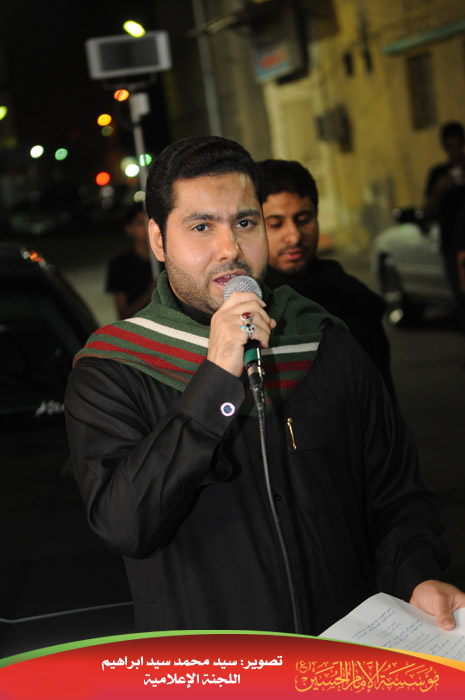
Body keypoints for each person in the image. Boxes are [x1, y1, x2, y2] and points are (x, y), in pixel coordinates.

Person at [65, 135, 465, 637]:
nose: (230, 249)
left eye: (245, 223)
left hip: (344, 653)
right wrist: (214, 380)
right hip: (218, 664)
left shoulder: (325, 342)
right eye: (201, 226)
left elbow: (395, 493)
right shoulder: (113, 369)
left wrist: (416, 574)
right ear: (159, 240)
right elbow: (125, 524)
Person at [258, 158, 395, 397]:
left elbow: (380, 390)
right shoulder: (250, 306)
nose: (294, 236)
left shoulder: (352, 296)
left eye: (303, 219)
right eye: (276, 224)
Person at [424, 121, 465, 326]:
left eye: (457, 145)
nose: (454, 151)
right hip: (453, 247)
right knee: (462, 298)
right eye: (450, 146)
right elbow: (428, 210)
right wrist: (440, 189)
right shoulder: (438, 173)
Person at [105, 203, 156, 319]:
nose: (147, 228)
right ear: (129, 229)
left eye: (150, 222)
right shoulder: (120, 265)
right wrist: (148, 295)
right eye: (140, 223)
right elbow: (123, 315)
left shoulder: (166, 260)